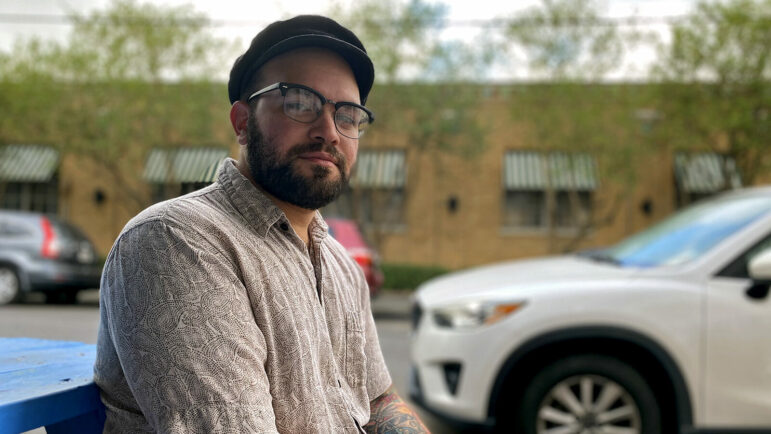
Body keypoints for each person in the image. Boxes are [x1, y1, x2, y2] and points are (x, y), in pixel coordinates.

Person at [94, 15, 430, 434]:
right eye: (300, 102)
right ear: (242, 123)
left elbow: (377, 400)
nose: (329, 132)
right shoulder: (176, 242)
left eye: (347, 115)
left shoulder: (340, 265)